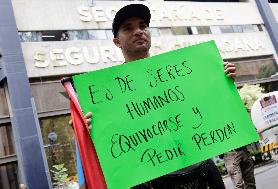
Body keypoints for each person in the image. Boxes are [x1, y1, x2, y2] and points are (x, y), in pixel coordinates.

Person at [72, 3, 236, 189]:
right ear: (117, 41)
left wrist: (223, 83)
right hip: (155, 183)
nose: (139, 31)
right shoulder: (107, 95)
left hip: (205, 171)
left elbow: (209, 108)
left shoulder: (180, 72)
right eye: (128, 28)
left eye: (143, 26)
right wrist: (84, 130)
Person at [223, 110, 256, 189]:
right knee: (239, 185)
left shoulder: (235, 111)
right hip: (230, 152)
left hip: (242, 149)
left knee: (250, 183)